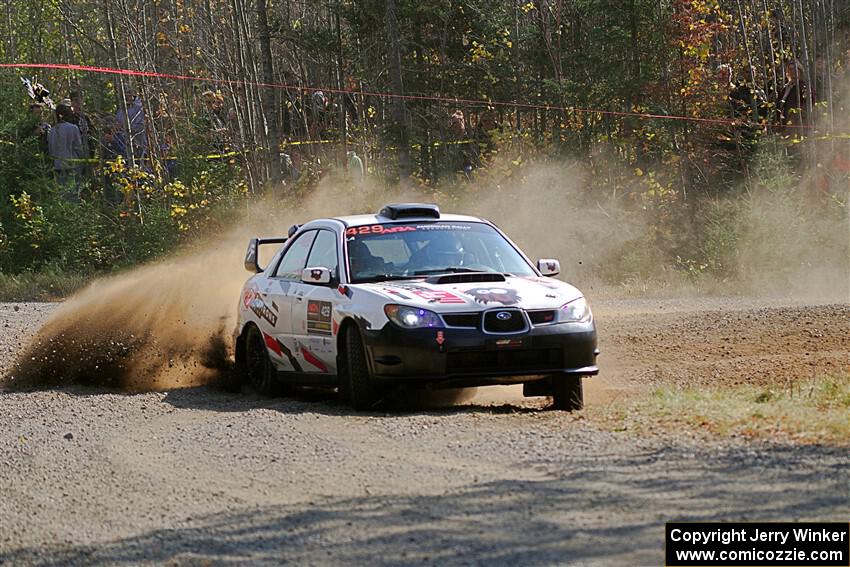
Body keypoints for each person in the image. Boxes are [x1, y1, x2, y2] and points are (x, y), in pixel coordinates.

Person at [48, 104, 84, 201]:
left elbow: (51, 150)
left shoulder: (52, 130)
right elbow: (78, 147)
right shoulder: (73, 128)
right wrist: (83, 160)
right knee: (73, 194)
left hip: (58, 165)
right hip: (72, 165)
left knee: (62, 193)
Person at [776, 60, 814, 134]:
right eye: (790, 69)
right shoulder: (786, 88)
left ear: (799, 70)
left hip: (800, 126)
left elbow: (810, 104)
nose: (793, 71)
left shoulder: (804, 86)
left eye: (795, 69)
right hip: (786, 125)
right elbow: (780, 105)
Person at [114, 89, 148, 165]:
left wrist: (126, 127)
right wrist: (116, 126)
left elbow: (141, 126)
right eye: (123, 96)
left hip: (139, 144)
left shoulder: (139, 108)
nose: (125, 97)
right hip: (123, 146)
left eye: (127, 95)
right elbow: (117, 123)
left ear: (132, 95)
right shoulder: (120, 111)